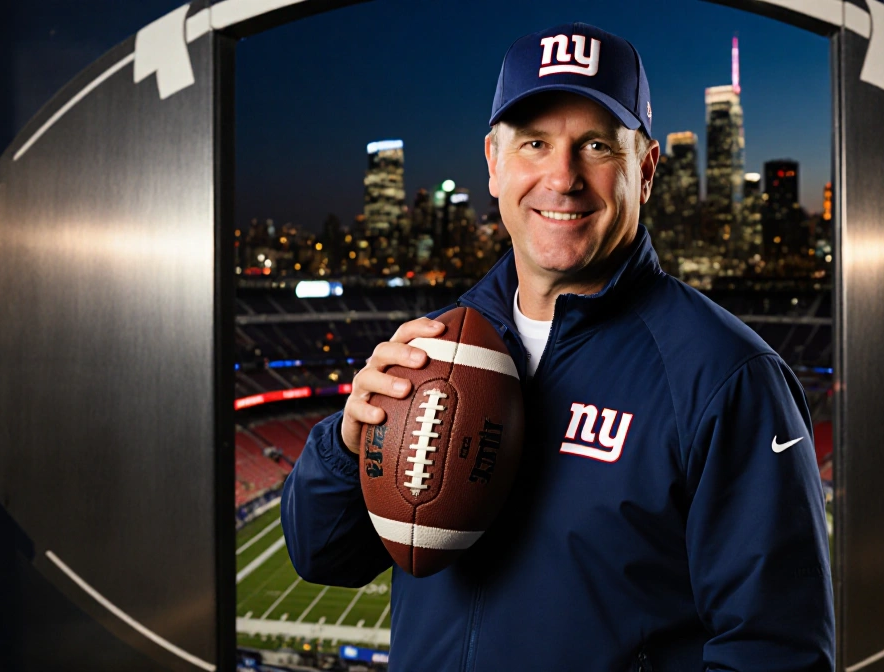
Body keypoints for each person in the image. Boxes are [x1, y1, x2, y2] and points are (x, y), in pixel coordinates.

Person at [282, 21, 834, 671]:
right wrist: (349, 445)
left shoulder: (726, 376)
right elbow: (322, 554)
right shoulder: (433, 347)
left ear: (647, 169)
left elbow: (777, 654)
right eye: (535, 143)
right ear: (493, 162)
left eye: (597, 145)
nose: (562, 176)